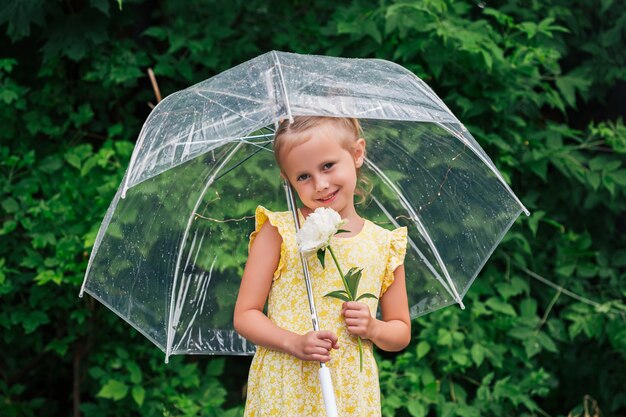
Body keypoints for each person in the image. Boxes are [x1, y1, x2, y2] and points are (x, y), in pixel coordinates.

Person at [234, 116, 411, 416]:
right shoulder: (280, 231)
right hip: (286, 385)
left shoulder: (384, 244)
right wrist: (294, 343)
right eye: (303, 176)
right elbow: (245, 315)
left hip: (349, 390)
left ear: (357, 154)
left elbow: (400, 331)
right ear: (287, 179)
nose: (320, 184)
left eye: (328, 166)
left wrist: (373, 327)